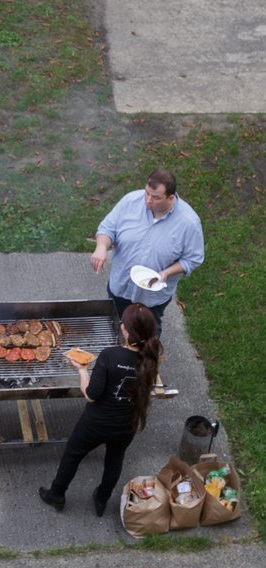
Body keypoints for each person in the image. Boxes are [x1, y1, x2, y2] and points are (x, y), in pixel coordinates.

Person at [39, 304, 162, 516]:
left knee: (72, 455)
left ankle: (57, 495)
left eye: (124, 323)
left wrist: (82, 370)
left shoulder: (109, 356)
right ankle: (102, 499)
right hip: (127, 425)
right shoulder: (150, 359)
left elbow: (90, 394)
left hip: (96, 424)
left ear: (126, 331)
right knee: (114, 461)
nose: (122, 325)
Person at [90, 169, 204, 332]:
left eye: (156, 197)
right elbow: (108, 228)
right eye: (147, 193)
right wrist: (101, 247)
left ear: (171, 198)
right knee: (116, 326)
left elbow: (193, 259)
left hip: (151, 297)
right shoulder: (130, 201)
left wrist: (166, 273)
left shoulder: (189, 223)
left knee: (147, 334)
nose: (148, 200)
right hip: (121, 285)